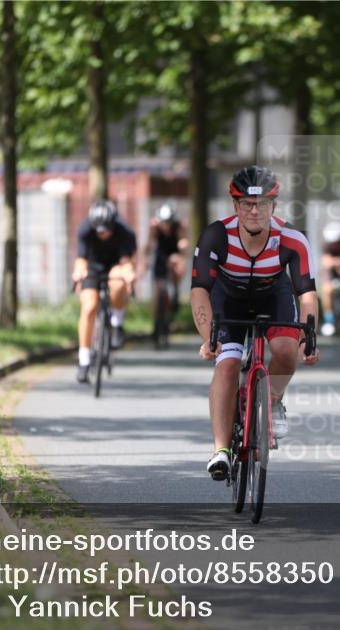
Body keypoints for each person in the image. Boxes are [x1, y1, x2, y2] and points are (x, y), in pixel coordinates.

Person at [190, 166, 320, 480]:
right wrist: (210, 337)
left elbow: (307, 295)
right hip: (227, 299)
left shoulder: (292, 239)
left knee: (287, 350)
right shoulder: (216, 235)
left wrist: (309, 337)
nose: (254, 210)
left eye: (262, 203)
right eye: (247, 204)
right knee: (228, 364)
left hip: (272, 296)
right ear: (235, 206)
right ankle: (221, 451)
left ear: (274, 206)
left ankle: (271, 401)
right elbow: (199, 292)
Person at [71, 199, 137, 383]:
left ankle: (116, 321)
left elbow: (126, 262)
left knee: (117, 284)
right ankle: (84, 360)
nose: (103, 233)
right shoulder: (85, 229)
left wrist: (129, 274)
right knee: (89, 306)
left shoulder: (125, 232)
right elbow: (81, 259)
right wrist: (78, 273)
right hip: (93, 265)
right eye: (98, 230)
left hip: (116, 264)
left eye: (106, 229)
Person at [144, 201, 188, 329]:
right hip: (161, 253)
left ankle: (175, 292)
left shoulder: (179, 226)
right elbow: (149, 244)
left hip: (174, 251)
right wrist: (146, 259)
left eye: (169, 223)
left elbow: (183, 245)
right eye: (164, 223)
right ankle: (156, 321)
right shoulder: (154, 226)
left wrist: (181, 256)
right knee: (158, 288)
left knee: (176, 264)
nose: (166, 226)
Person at [319, 221, 340, 337]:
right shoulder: (325, 244)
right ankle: (329, 319)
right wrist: (337, 262)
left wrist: (339, 263)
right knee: (327, 290)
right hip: (329, 271)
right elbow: (326, 263)